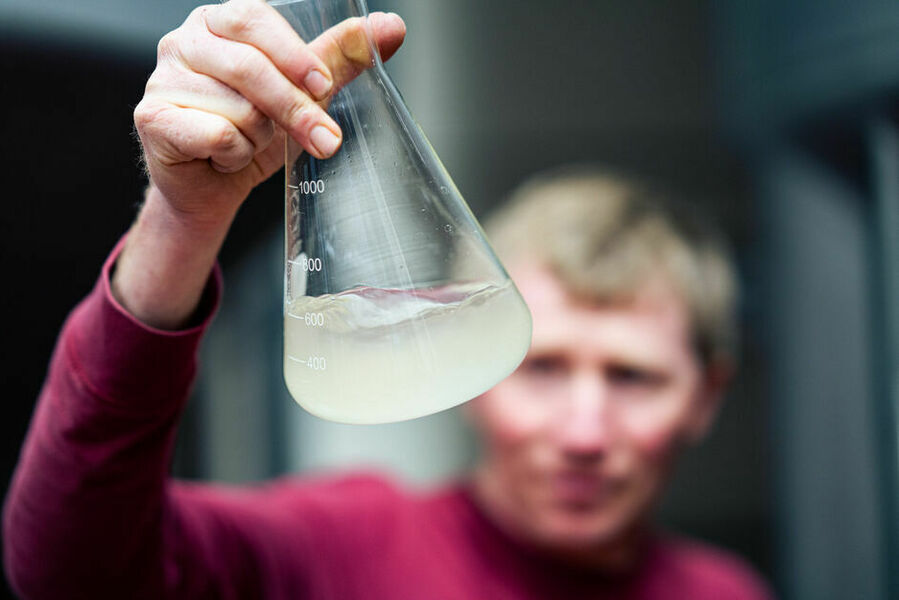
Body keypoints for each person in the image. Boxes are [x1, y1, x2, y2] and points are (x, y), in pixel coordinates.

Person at [3, 1, 772, 598]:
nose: (582, 431)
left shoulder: (722, 593)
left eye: (632, 377)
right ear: (479, 358)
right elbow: (70, 570)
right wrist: (181, 220)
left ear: (706, 395)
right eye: (541, 368)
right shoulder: (339, 547)